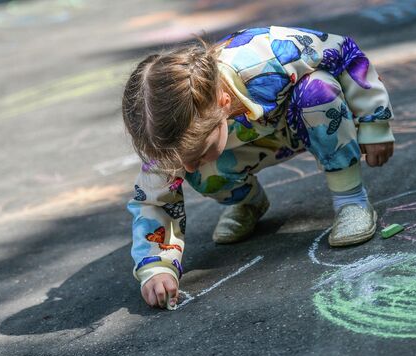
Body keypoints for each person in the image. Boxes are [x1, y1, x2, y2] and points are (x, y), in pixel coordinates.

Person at [122, 26, 395, 309]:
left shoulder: (266, 54)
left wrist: (374, 122)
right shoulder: (166, 139)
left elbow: (345, 52)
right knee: (196, 172)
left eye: (199, 151)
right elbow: (154, 201)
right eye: (181, 160)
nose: (187, 166)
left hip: (301, 121)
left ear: (223, 103)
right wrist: (157, 268)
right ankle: (249, 203)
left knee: (318, 89)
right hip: (245, 147)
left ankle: (351, 199)